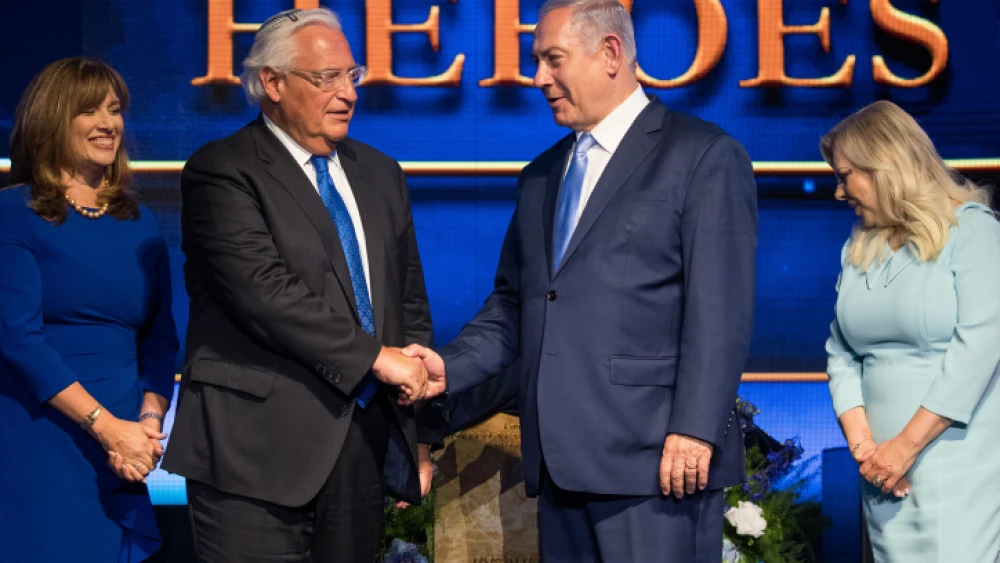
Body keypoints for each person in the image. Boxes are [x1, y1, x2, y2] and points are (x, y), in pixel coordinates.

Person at [403, 0, 758, 560]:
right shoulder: (542, 176)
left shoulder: (702, 156)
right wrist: (447, 366)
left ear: (610, 53)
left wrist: (693, 429)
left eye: (553, 59)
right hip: (560, 467)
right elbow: (514, 307)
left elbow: (721, 313)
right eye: (537, 61)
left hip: (656, 465)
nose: (538, 77)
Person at [160, 7, 439, 562]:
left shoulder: (381, 173)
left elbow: (407, 301)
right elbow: (264, 293)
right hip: (252, 456)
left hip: (360, 447)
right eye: (325, 77)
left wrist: (421, 432)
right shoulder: (223, 170)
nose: (348, 93)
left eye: (351, 75)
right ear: (272, 83)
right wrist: (377, 359)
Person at [0, 57, 178, 562]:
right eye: (90, 111)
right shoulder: (13, 212)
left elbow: (160, 339)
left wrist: (145, 426)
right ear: (53, 120)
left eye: (115, 110)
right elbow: (19, 337)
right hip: (39, 439)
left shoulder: (140, 222)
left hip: (123, 454)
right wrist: (105, 427)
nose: (108, 124)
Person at [823, 100, 1000, 561]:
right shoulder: (860, 247)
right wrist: (867, 451)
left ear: (885, 166)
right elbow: (840, 353)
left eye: (846, 176)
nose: (840, 193)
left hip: (955, 468)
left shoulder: (974, 233)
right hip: (882, 475)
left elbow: (980, 347)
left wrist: (905, 447)